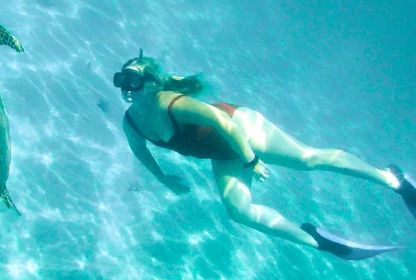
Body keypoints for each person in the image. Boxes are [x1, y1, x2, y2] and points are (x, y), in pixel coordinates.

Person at [113, 50, 416, 260]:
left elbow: (223, 122)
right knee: (238, 211)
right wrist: (164, 178)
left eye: (132, 80)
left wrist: (251, 159)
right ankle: (316, 240)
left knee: (307, 160)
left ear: (152, 83)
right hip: (221, 151)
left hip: (241, 129)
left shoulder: (172, 103)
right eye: (121, 80)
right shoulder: (132, 123)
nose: (126, 88)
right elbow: (139, 151)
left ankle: (395, 180)